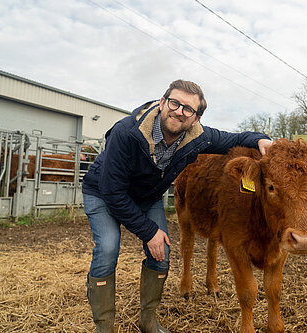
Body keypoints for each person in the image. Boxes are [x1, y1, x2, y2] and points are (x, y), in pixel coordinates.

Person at [82, 79, 272, 333]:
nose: (179, 111)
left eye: (188, 109)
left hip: (146, 197)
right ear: (162, 103)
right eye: (174, 103)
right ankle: (103, 327)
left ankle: (148, 320)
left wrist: (262, 140)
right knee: (107, 248)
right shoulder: (126, 132)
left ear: (196, 118)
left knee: (162, 254)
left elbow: (234, 138)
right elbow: (113, 192)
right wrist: (148, 231)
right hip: (103, 193)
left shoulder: (196, 137)